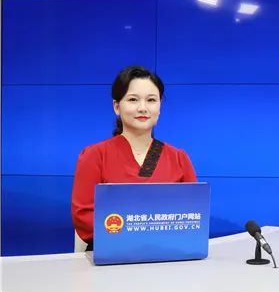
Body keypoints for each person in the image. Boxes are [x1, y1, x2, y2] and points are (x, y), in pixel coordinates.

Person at [71, 66, 197, 250]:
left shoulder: (179, 158)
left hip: (168, 255)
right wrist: (136, 237)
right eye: (133, 99)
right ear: (116, 106)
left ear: (159, 106)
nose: (143, 108)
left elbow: (193, 214)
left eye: (151, 100)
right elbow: (83, 216)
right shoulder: (94, 156)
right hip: (111, 255)